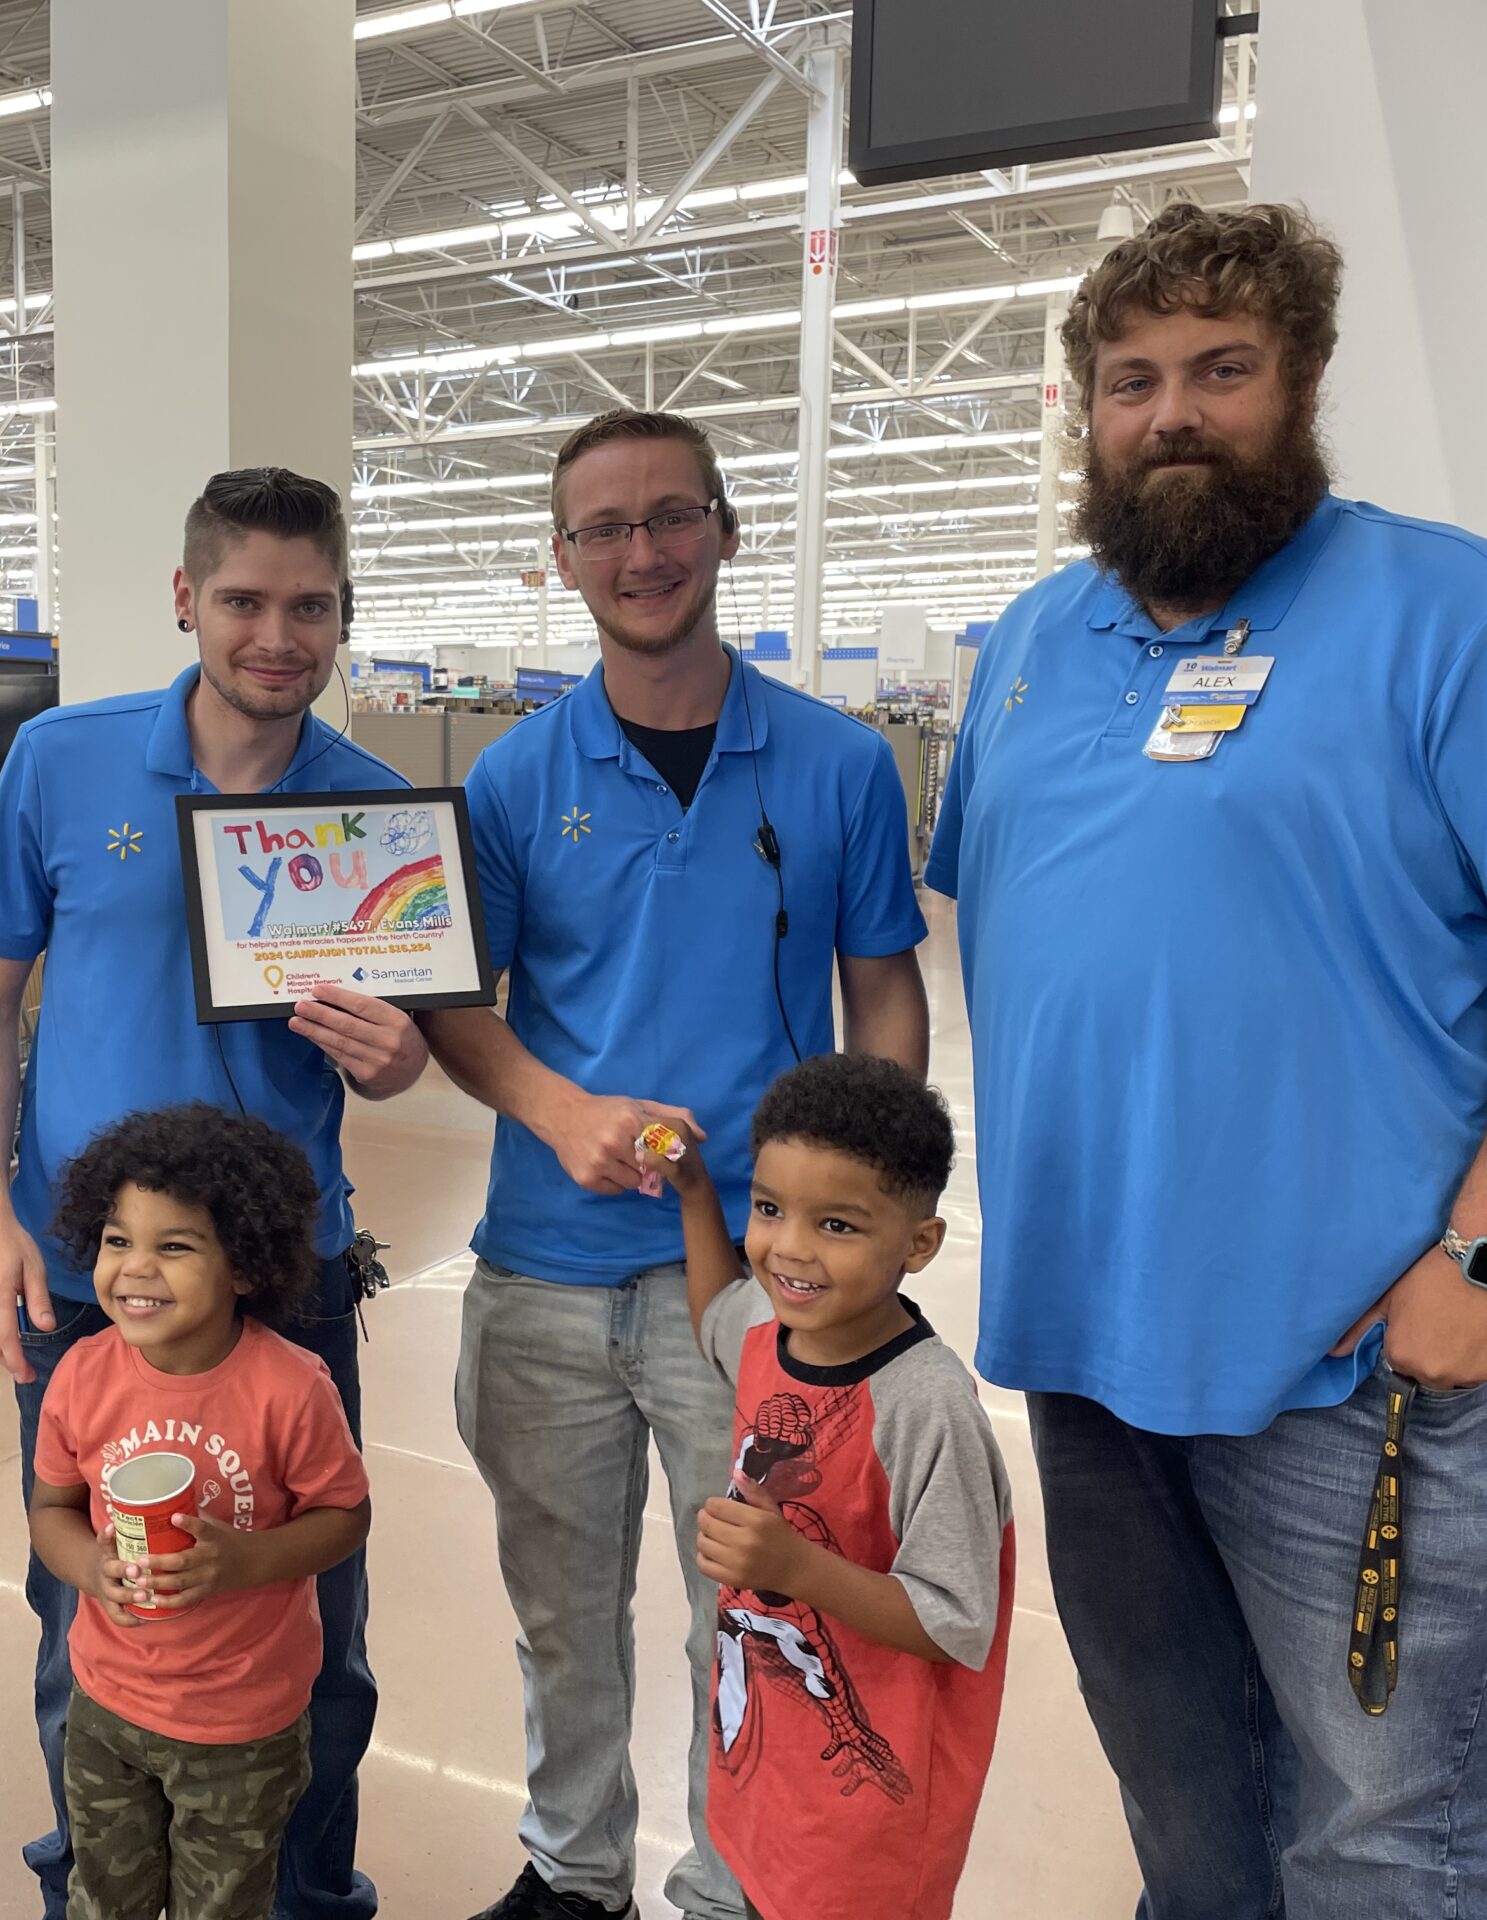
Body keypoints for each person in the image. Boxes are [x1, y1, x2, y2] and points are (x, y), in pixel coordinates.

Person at [926, 202, 1487, 1916]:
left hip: (1360, 1368)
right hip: (1086, 1345)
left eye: (1223, 368)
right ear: (1087, 410)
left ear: (1302, 381)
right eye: (1132, 380)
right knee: (1183, 1800)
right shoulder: (1035, 647)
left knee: (1380, 1832)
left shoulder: (1466, 618)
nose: (1174, 414)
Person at [420, 408, 931, 1920]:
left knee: (756, 1606)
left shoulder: (840, 764)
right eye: (603, 528)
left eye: (668, 517)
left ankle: (735, 1885)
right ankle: (576, 1872)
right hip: (550, 1274)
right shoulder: (512, 780)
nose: (640, 553)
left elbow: (885, 984)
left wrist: (872, 1213)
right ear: (561, 558)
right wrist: (559, 1108)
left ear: (724, 528)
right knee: (565, 1614)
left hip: (762, 1294)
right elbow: (461, 1005)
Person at [0, 467, 425, 1920]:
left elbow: (403, 1053)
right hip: (94, 1285)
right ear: (184, 601)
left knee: (310, 1620)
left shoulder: (372, 814)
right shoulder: (64, 761)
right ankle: (96, 1881)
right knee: (86, 1595)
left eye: (309, 607)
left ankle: (300, 1891)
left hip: (289, 1282)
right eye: (243, 602)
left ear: (342, 616)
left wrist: (399, 1058)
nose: (276, 635)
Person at [644, 1055, 1011, 1920]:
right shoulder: (769, 1339)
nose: (791, 1248)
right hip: (771, 1774)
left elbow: (955, 1621)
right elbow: (714, 1315)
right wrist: (698, 1192)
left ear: (917, 1244)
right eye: (770, 1209)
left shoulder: (926, 1406)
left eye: (838, 1225)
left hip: (871, 1808)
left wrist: (796, 1567)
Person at [30, 1104, 374, 1920]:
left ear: (245, 1267)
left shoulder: (290, 1389)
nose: (136, 1269)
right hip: (106, 1706)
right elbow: (50, 1506)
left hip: (242, 1723)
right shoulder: (81, 1374)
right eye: (118, 1241)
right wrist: (90, 1568)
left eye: (174, 1245)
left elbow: (344, 1516)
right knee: (103, 1898)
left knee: (219, 1908)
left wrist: (245, 1560)